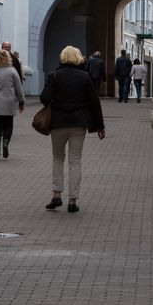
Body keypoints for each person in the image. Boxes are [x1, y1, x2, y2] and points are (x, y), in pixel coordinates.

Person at [41, 45, 106, 212]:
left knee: (57, 158)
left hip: (58, 123)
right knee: (75, 160)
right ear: (79, 58)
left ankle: (56, 195)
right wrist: (100, 126)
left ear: (62, 57)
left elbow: (44, 97)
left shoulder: (54, 75)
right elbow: (94, 102)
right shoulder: (85, 77)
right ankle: (72, 200)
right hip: (78, 123)